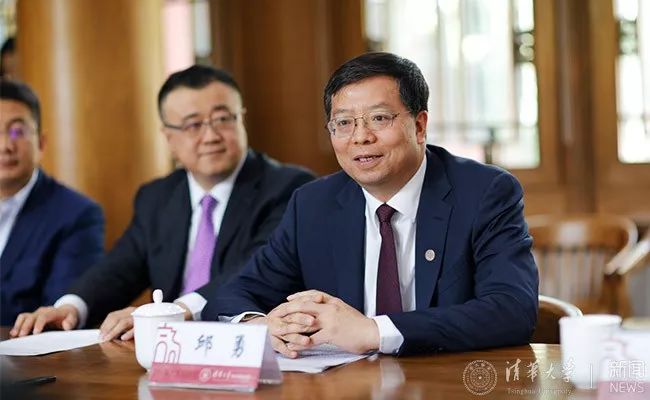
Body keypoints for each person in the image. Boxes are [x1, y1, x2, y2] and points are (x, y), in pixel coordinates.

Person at [202, 52, 539, 357]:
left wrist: (373, 331)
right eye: (344, 123)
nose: (360, 137)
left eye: (379, 118)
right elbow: (234, 294)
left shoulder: (483, 193)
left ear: (419, 126)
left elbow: (512, 309)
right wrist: (261, 326)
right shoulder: (313, 204)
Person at [11, 65, 315, 339]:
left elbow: (255, 266)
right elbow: (119, 269)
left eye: (223, 119)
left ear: (241, 120)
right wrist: (71, 307)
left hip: (254, 345)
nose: (211, 136)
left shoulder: (290, 189)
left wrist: (177, 311)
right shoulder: (157, 196)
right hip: (170, 349)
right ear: (169, 137)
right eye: (193, 125)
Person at [0, 79, 104, 326]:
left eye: (17, 131)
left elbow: (57, 315)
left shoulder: (77, 215)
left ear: (41, 144)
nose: (5, 146)